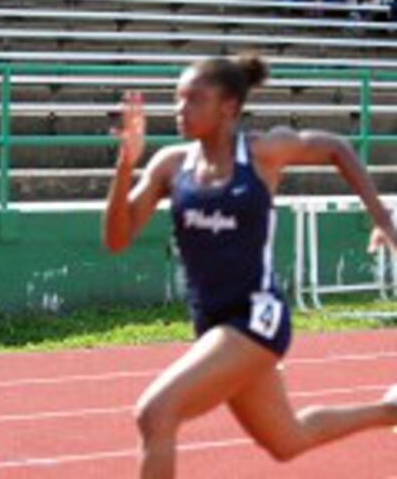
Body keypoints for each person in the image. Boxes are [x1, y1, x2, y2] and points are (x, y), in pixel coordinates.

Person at [103, 55, 397, 479]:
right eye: (177, 99)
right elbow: (117, 239)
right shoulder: (170, 165)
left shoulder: (261, 152)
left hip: (256, 317)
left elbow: (336, 147)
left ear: (227, 108)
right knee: (286, 440)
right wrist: (125, 165)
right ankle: (389, 411)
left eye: (193, 100)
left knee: (156, 412)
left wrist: (382, 219)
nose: (179, 110)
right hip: (213, 322)